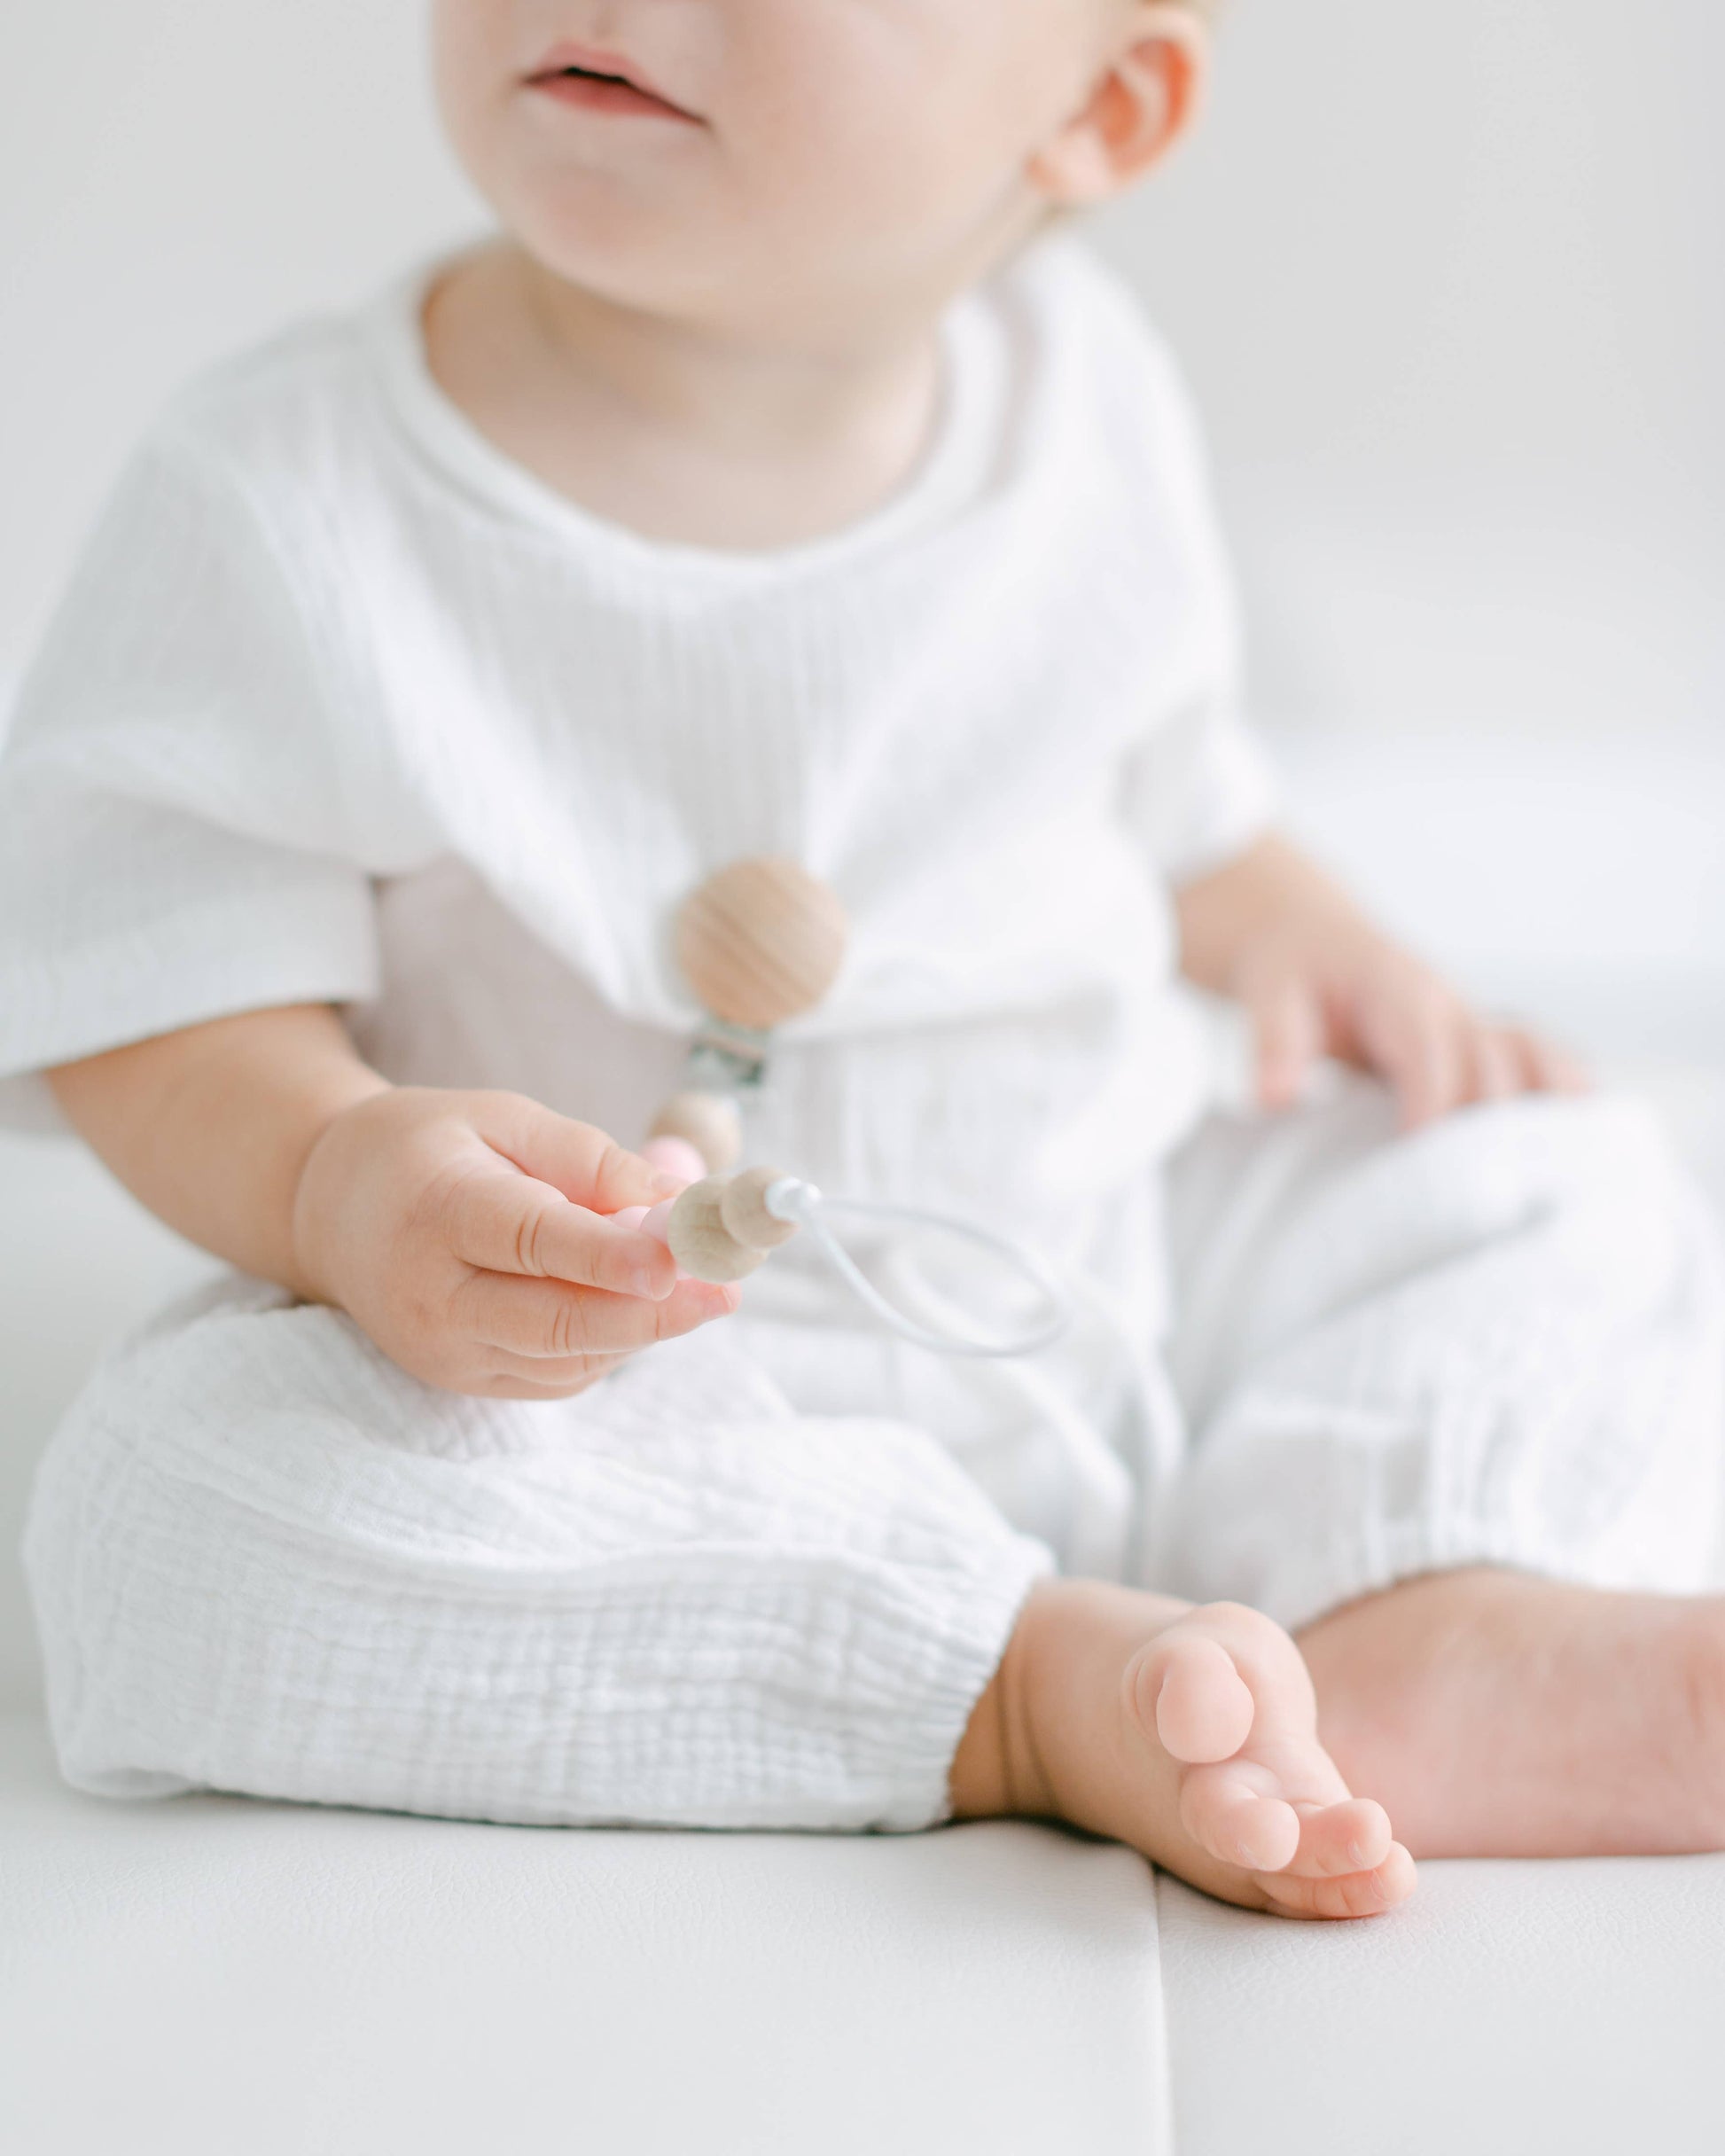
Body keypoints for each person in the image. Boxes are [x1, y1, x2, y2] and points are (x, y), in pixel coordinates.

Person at [4, 0, 1722, 1921]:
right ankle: (1011, 1685)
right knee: (171, 1507)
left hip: (1108, 1264)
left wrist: (1314, 939)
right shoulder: (280, 495)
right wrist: (330, 1176)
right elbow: (152, 976)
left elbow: (1175, 812)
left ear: (1101, 103)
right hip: (606, 1412)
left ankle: (1407, 1592)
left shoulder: (1085, 400)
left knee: (1562, 1167)